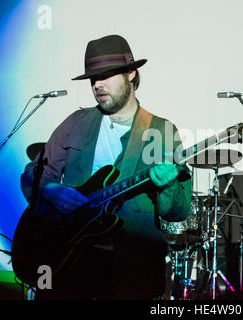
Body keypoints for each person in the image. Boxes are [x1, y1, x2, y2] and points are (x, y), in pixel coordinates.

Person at [20, 35, 192, 300]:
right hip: (67, 260)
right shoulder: (76, 122)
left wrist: (168, 186)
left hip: (131, 269)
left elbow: (177, 212)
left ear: (131, 73)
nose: (97, 84)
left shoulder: (161, 132)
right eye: (92, 78)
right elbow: (33, 173)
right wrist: (52, 190)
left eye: (106, 75)